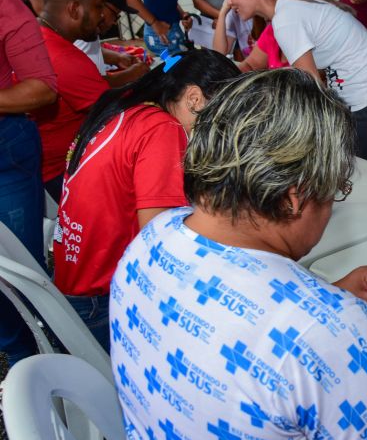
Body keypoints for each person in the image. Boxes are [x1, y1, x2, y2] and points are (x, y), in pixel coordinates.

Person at [109, 68, 367, 439]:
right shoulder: (331, 332)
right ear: (294, 199)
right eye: (334, 191)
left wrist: (326, 299)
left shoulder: (154, 236)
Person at [53, 49, 239, 350]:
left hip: (73, 285)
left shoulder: (126, 106)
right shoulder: (162, 129)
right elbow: (160, 243)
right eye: (222, 117)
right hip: (103, 299)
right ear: (194, 98)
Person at [223, 0, 367, 159]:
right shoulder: (289, 5)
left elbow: (311, 89)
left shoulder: (286, 18)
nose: (228, 0)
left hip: (366, 99)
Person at [0, 0, 57, 366]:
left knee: (20, 272)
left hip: (5, 149)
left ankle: (40, 358)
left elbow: (42, 88)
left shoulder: (5, 7)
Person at [32, 0, 109, 202]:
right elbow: (119, 112)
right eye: (98, 6)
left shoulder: (31, 36)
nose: (103, 15)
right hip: (57, 178)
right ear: (74, 9)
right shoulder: (64, 58)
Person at [74, 0, 150, 87]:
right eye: (115, 15)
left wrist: (118, 58)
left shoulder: (90, 32)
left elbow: (88, 52)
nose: (114, 22)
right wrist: (131, 74)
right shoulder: (82, 35)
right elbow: (92, 85)